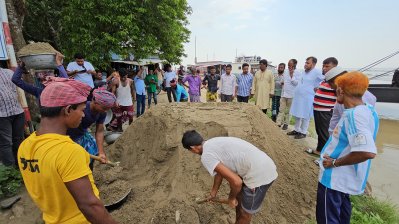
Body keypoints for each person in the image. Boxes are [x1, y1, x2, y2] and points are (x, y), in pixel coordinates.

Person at [18, 78, 116, 224]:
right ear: (68, 110)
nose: (83, 115)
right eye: (82, 110)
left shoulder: (25, 147)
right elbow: (90, 206)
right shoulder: (69, 152)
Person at [316, 71, 379, 224]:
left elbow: (367, 152)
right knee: (342, 216)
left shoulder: (354, 116)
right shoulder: (369, 110)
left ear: (340, 91)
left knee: (327, 219)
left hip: (334, 179)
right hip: (346, 179)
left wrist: (334, 163)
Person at [181, 130, 277, 224]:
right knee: (239, 196)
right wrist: (213, 193)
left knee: (245, 214)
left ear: (193, 148)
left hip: (259, 175)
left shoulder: (206, 156)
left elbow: (237, 182)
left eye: (190, 151)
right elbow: (220, 172)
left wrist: (231, 198)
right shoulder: (212, 142)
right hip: (262, 164)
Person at [66, 87, 116, 168]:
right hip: (68, 137)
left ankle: (89, 172)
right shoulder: (83, 108)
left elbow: (99, 131)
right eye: (104, 108)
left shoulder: (102, 113)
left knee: (93, 153)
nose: (106, 111)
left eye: (107, 109)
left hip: (82, 135)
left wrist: (101, 152)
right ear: (95, 102)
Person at [326, 67, 377, 136]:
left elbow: (360, 132)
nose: (331, 88)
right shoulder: (343, 97)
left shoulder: (362, 101)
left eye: (331, 84)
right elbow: (335, 119)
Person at [307, 57, 338, 155]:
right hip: (318, 109)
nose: (324, 68)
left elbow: (339, 96)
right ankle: (319, 151)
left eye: (327, 66)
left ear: (335, 67)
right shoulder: (326, 79)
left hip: (326, 110)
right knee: (319, 132)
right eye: (323, 66)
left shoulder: (336, 80)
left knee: (325, 133)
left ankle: (324, 156)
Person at [288, 57, 324, 139]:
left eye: (308, 63)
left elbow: (325, 79)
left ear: (313, 64)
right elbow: (299, 82)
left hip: (308, 98)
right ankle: (296, 130)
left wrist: (319, 87)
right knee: (297, 114)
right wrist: (292, 76)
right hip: (299, 97)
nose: (305, 64)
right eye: (305, 62)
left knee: (305, 115)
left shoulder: (317, 72)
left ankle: (303, 132)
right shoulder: (303, 72)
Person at [0, 67, 25, 166]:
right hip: (1, 115)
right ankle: (11, 172)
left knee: (18, 140)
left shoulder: (9, 72)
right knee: (6, 143)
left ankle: (21, 167)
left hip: (17, 111)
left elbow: (18, 85)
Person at [276, 59, 299, 130]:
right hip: (283, 94)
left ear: (294, 65)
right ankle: (278, 123)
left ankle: (286, 124)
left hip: (292, 95)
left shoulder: (298, 72)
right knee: (281, 110)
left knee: (289, 111)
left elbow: (296, 83)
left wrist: (292, 75)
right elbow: (282, 80)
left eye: (290, 65)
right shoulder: (285, 71)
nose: (289, 66)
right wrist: (282, 82)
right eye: (288, 64)